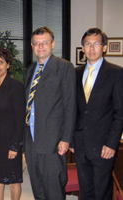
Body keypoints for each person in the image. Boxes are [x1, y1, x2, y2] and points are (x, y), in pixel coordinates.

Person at [70, 28, 123, 200]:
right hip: (80, 144)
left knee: (102, 191)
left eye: (96, 44)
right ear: (83, 48)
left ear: (104, 47)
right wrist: (71, 139)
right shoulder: (75, 73)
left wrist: (112, 144)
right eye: (87, 44)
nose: (91, 48)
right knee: (85, 190)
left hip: (103, 146)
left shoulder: (116, 73)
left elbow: (120, 112)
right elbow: (73, 110)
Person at [24, 26, 76, 200]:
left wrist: (66, 138)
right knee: (37, 187)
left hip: (53, 141)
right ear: (32, 46)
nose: (40, 47)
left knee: (53, 189)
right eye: (36, 43)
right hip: (31, 139)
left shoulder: (64, 67)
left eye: (44, 43)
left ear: (52, 44)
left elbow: (70, 105)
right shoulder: (30, 70)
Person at [0, 47, 25, 200]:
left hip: (9, 140)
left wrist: (15, 145)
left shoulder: (16, 86)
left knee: (13, 179)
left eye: (1, 62)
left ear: (8, 64)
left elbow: (20, 117)